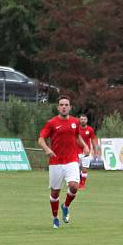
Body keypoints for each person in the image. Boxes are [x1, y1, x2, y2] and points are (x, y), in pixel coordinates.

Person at [38, 96, 89, 228]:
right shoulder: (51, 123)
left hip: (71, 160)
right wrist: (47, 149)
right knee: (55, 192)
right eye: (61, 105)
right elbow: (41, 139)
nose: (64, 107)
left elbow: (77, 136)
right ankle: (55, 218)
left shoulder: (75, 122)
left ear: (70, 107)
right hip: (55, 162)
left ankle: (65, 206)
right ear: (58, 107)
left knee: (74, 186)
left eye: (66, 104)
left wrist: (85, 146)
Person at [77, 113, 99, 189]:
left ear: (87, 120)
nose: (83, 121)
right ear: (79, 120)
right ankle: (78, 181)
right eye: (81, 119)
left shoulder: (90, 129)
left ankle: (82, 184)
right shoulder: (76, 128)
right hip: (76, 151)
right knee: (76, 169)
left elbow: (93, 141)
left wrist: (95, 152)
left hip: (86, 152)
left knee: (84, 168)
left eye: (84, 119)